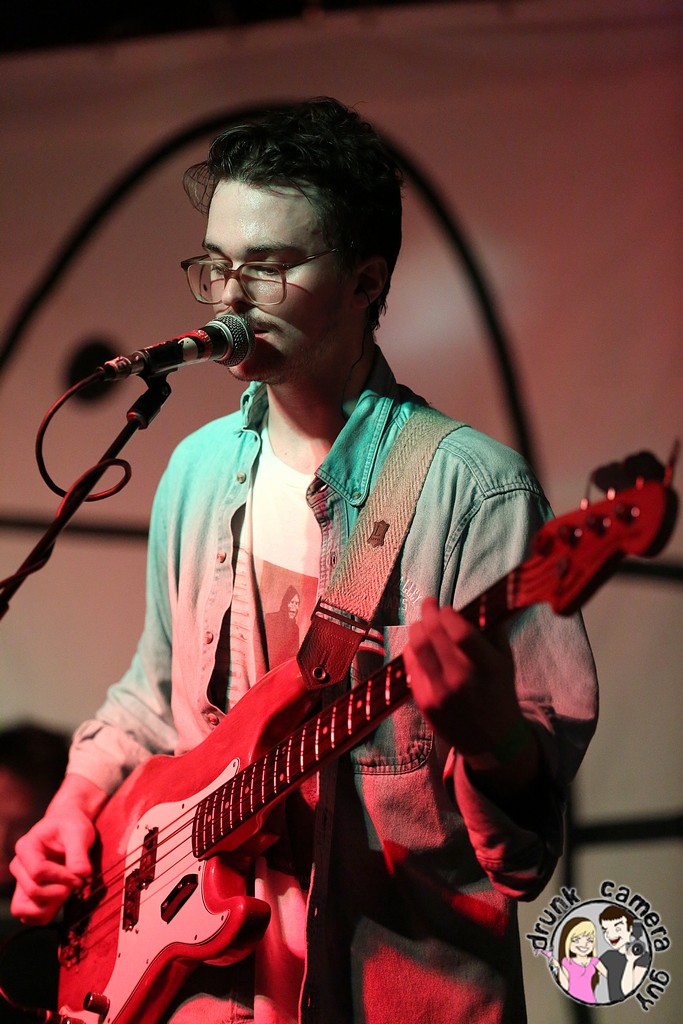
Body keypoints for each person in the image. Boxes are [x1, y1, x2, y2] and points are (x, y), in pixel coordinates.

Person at [9, 97, 598, 1024]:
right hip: (200, 991)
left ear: (365, 281)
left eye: (269, 267)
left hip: (392, 991)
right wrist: (73, 804)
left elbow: (524, 858)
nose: (230, 298)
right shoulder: (195, 471)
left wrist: (494, 741)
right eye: (216, 266)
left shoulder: (475, 493)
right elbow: (151, 699)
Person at [599, 906, 650, 1002]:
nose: (610, 935)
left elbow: (627, 991)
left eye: (617, 929)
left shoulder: (643, 957)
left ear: (630, 929)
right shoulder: (608, 956)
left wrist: (630, 961)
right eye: (605, 930)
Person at [552, 916, 607, 1004]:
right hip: (572, 1002)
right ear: (567, 941)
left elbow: (610, 976)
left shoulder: (594, 961)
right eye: (576, 940)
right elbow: (565, 986)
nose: (584, 944)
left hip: (590, 1001)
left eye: (589, 940)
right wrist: (558, 967)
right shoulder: (567, 962)